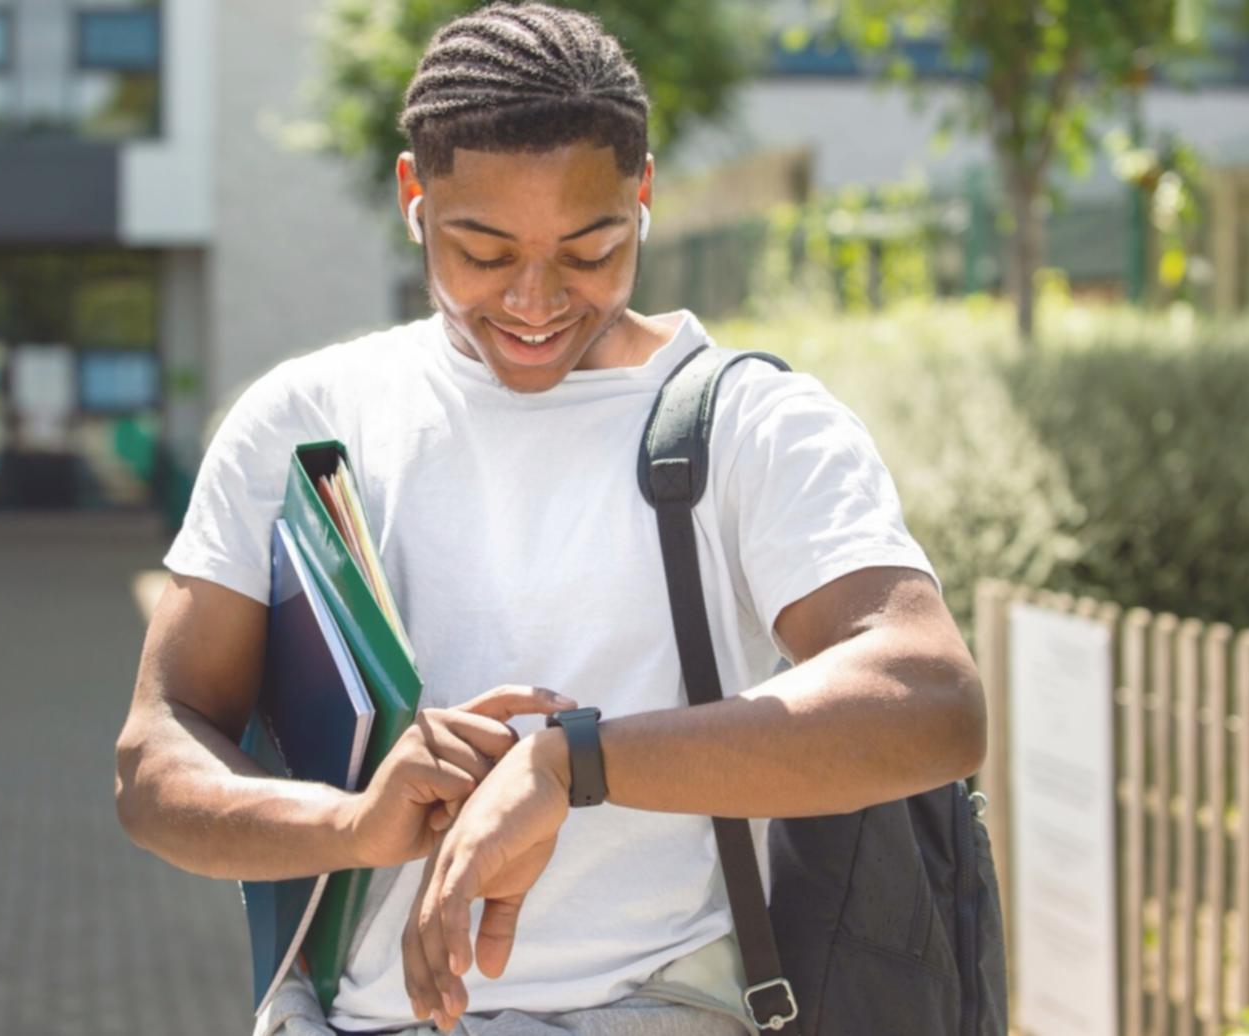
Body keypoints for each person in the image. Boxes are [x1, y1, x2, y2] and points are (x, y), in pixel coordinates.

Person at [113, 4, 986, 1034]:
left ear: (643, 194)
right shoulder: (305, 422)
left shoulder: (752, 424)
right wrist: (352, 823)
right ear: (412, 197)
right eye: (481, 251)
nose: (534, 300)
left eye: (590, 247)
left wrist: (572, 764)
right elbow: (156, 755)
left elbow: (929, 697)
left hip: (660, 1008)